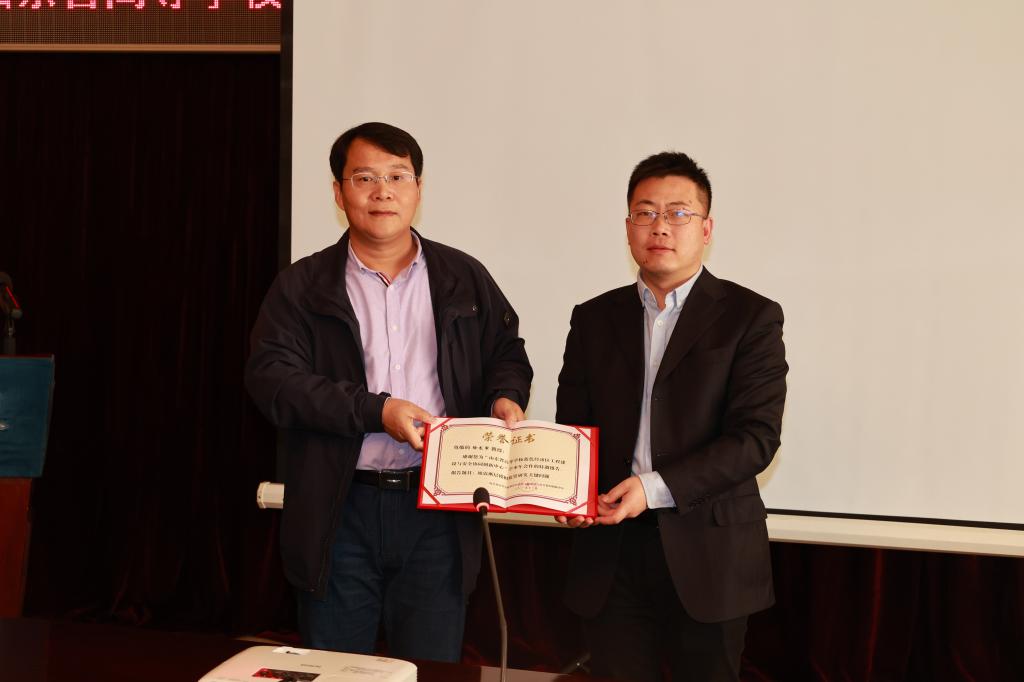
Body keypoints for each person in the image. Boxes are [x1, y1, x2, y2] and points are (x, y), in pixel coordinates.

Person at [245, 122, 532, 662]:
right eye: (365, 178)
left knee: (429, 667)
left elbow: (507, 353)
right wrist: (375, 411)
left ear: (418, 189)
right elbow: (273, 381)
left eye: (398, 176)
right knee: (337, 669)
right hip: (339, 508)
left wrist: (504, 395)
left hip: (437, 510)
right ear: (339, 192)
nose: (383, 192)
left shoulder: (463, 276)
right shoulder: (302, 286)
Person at [555, 151, 788, 681]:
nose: (660, 226)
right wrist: (569, 490)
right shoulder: (593, 318)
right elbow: (575, 429)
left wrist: (652, 487)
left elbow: (755, 438)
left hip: (709, 553)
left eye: (678, 213)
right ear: (628, 228)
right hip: (610, 555)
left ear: (705, 229)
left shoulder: (750, 317)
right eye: (646, 212)